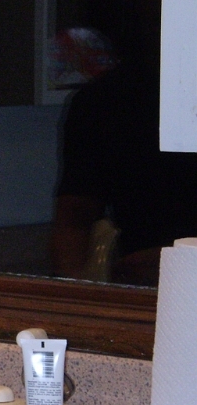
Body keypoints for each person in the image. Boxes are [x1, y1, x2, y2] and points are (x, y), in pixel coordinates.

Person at [51, 50, 197, 286]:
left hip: (150, 272)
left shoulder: (104, 99)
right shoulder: (106, 101)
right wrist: (74, 294)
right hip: (144, 284)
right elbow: (74, 219)